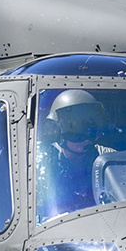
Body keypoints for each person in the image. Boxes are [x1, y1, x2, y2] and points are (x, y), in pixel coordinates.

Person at [37, 89, 107, 220]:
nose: (85, 136)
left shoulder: (107, 159)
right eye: (75, 129)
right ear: (57, 130)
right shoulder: (43, 163)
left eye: (89, 127)